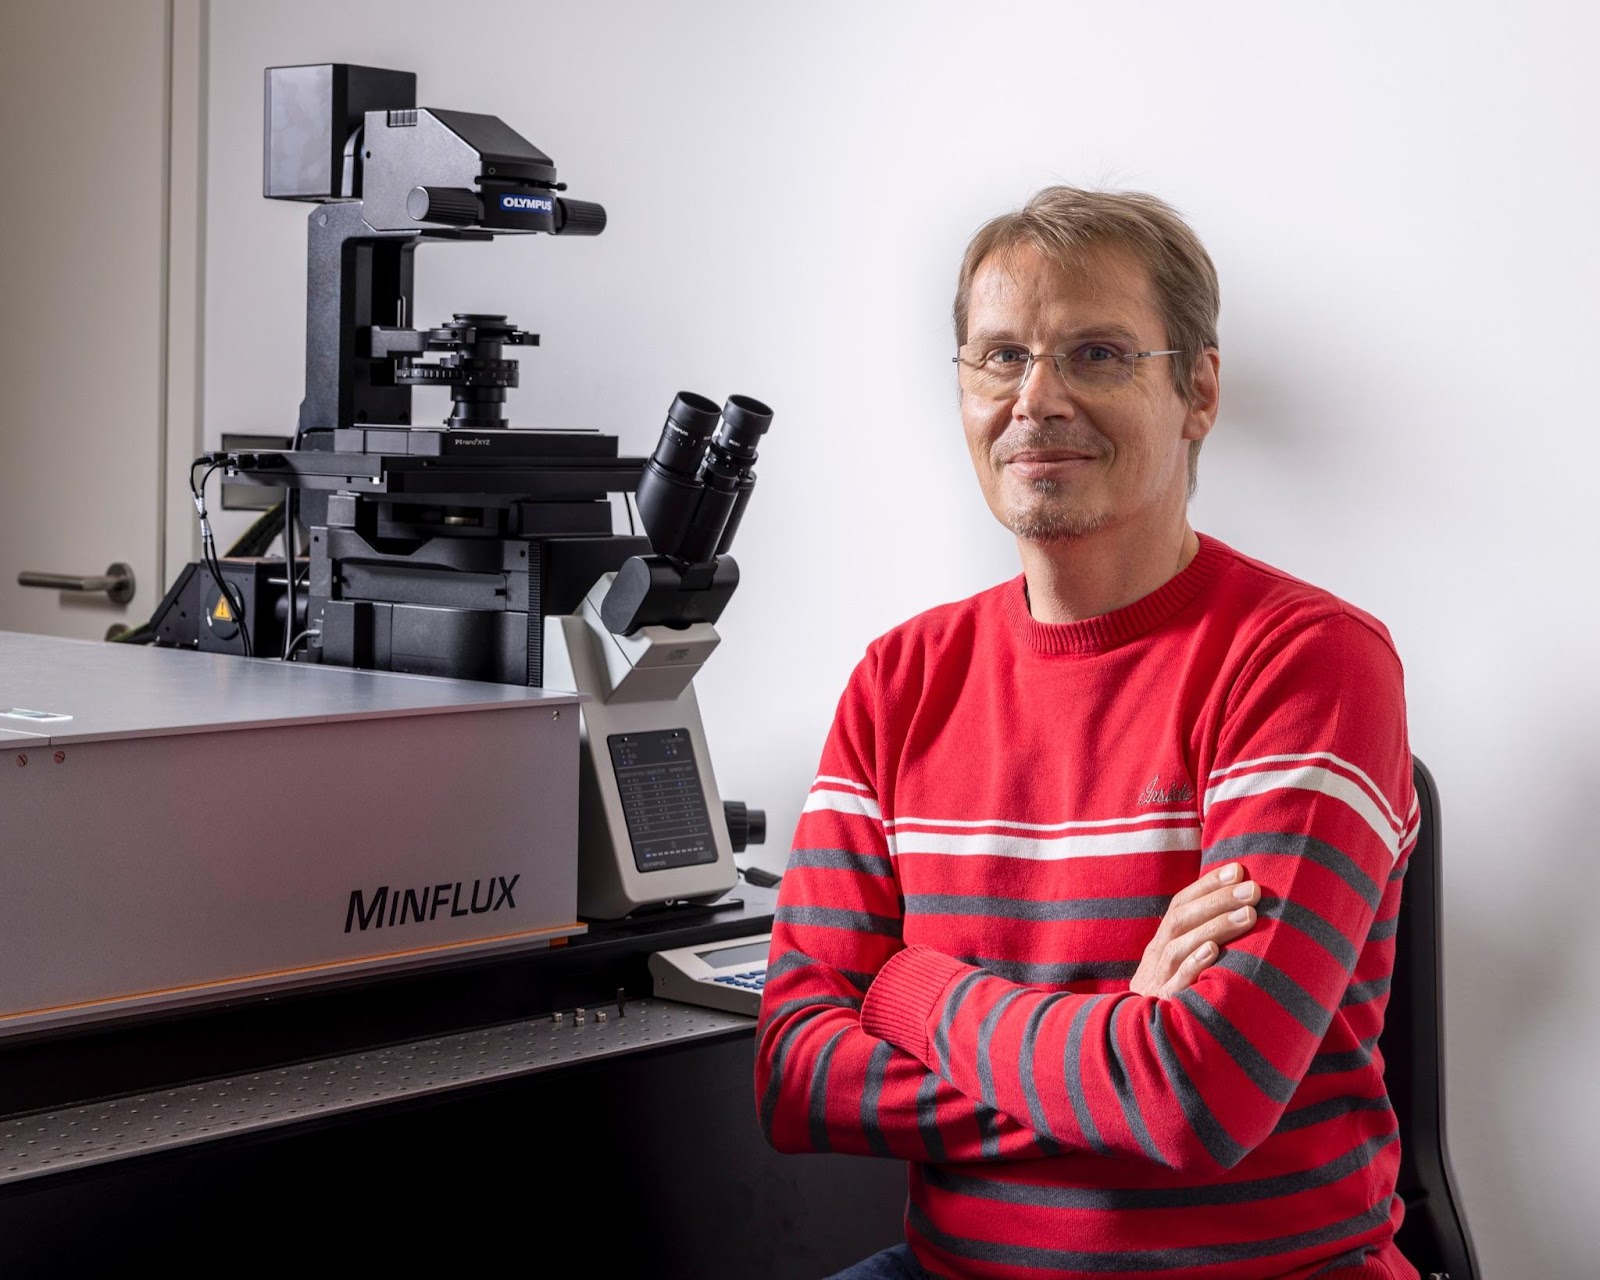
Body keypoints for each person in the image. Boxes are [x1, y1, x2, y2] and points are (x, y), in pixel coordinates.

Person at [755, 187, 1418, 1280]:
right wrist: (1119, 1056)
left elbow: (1200, 1096)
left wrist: (907, 987)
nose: (1036, 399)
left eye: (1098, 354)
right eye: (999, 357)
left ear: (1197, 388)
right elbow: (796, 1069)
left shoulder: (1307, 659)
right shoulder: (898, 679)